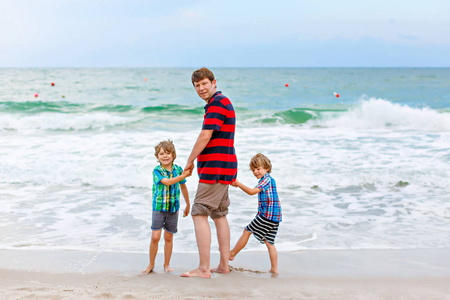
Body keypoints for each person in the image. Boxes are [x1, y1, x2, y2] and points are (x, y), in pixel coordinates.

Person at [181, 67, 237, 278]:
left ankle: (204, 268)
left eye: (205, 83)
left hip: (215, 168)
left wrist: (190, 160)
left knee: (199, 212)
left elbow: (205, 136)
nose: (201, 88)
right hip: (225, 166)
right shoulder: (221, 102)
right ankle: (223, 265)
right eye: (197, 85)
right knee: (219, 214)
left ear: (214, 82)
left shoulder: (217, 104)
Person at [142, 140, 191, 274]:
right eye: (161, 154)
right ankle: (151, 264)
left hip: (173, 208)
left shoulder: (178, 170)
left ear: (173, 155)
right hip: (158, 207)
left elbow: (183, 186)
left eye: (168, 153)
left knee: (169, 237)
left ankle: (166, 264)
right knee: (155, 237)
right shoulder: (157, 170)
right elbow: (167, 182)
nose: (165, 156)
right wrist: (183, 176)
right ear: (157, 157)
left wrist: (188, 203)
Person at [230, 153, 282, 274]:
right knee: (269, 242)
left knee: (247, 231)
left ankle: (232, 254)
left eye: (258, 169)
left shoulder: (267, 180)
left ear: (267, 168)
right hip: (275, 216)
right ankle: (274, 269)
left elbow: (252, 192)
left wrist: (238, 184)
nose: (255, 172)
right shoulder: (268, 180)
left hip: (268, 215)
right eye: (253, 170)